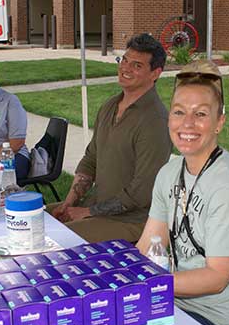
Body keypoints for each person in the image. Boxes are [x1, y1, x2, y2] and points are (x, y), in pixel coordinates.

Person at [135, 60, 229, 325]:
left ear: (219, 122)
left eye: (201, 114)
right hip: (171, 305)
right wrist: (126, 277)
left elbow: (216, 278)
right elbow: (149, 243)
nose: (187, 124)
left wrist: (149, 286)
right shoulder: (170, 172)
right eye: (179, 112)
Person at [50, 33, 172, 243]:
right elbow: (91, 159)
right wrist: (70, 202)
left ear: (155, 73)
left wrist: (88, 212)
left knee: (56, 239)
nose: (125, 68)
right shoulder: (110, 106)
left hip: (131, 221)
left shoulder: (155, 121)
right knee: (32, 217)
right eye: (124, 60)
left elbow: (141, 192)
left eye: (136, 65)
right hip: (97, 206)